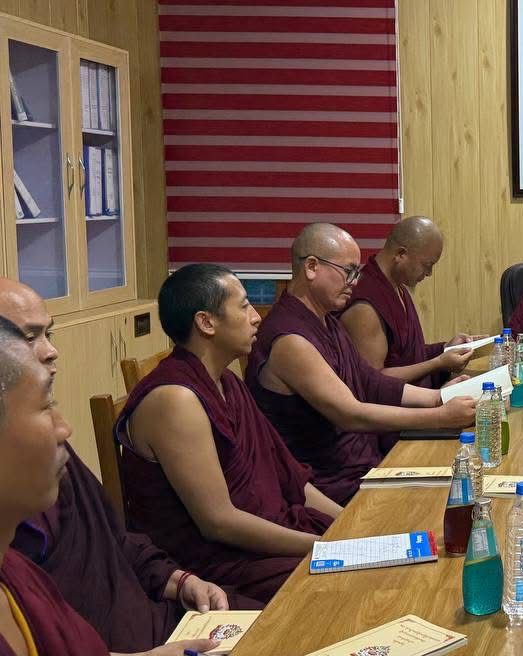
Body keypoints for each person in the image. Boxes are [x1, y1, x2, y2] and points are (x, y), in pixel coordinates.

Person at [0, 279, 242, 654]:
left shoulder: (47, 465)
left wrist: (179, 581)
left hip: (155, 618)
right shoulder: (16, 549)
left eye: (49, 333)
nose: (50, 351)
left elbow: (116, 539)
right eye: (29, 338)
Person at [116, 264, 340, 604]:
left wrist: (349, 523)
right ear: (206, 322)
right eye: (244, 306)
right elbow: (218, 522)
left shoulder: (227, 383)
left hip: (264, 539)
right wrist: (328, 546)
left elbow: (288, 476)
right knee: (347, 588)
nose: (256, 317)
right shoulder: (175, 400)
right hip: (216, 566)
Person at [247, 223, 476, 505]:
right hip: (329, 483)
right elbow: (349, 414)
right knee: (447, 502)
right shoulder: (290, 339)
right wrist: (439, 417)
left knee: (466, 483)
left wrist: (438, 397)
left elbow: (368, 379)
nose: (355, 282)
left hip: (364, 462)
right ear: (311, 267)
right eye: (349, 271)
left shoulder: (326, 321)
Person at [341, 216, 476, 389]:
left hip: (419, 397)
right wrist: (437, 363)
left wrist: (445, 348)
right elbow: (373, 381)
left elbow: (407, 357)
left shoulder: (397, 287)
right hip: (395, 405)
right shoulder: (365, 306)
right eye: (427, 265)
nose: (429, 273)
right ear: (400, 254)